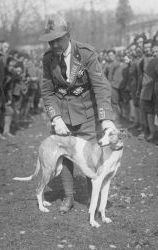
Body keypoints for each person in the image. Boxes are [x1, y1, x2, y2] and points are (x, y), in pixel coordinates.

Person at [39, 13, 116, 213]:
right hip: (62, 116)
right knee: (64, 156)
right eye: (50, 41)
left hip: (87, 113)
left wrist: (106, 118)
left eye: (57, 39)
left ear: (68, 35)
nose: (53, 45)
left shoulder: (86, 54)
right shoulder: (48, 59)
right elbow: (47, 91)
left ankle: (95, 200)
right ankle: (68, 197)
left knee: (93, 156)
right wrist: (55, 118)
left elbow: (100, 87)